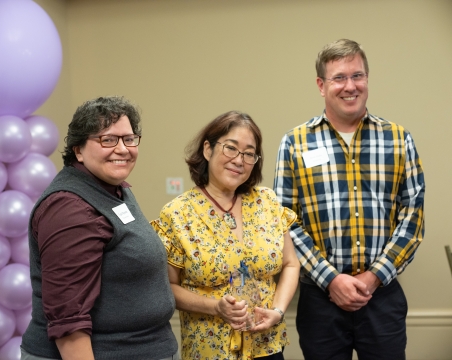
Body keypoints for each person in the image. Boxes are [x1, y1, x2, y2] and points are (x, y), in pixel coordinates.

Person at [273, 39, 425, 360]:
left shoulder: (398, 139)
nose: (350, 86)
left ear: (367, 79)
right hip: (319, 301)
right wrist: (330, 280)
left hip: (382, 298)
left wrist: (373, 277)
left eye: (358, 76)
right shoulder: (294, 143)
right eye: (339, 77)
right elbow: (284, 221)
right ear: (321, 85)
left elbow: (412, 218)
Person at [21, 96, 178, 360]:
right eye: (107, 140)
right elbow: (68, 320)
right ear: (78, 150)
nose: (123, 149)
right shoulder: (69, 208)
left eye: (129, 139)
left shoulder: (113, 190)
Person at [152, 111, 301, 360]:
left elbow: (290, 263)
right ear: (208, 149)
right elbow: (168, 286)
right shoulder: (178, 214)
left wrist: (278, 309)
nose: (239, 160)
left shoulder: (267, 202)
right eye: (231, 148)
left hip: (267, 345)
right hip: (209, 349)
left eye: (249, 153)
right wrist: (215, 307)